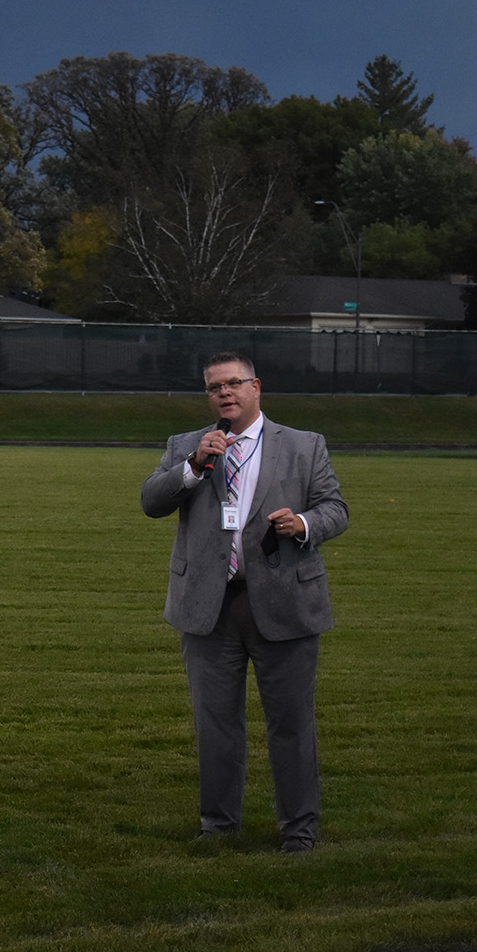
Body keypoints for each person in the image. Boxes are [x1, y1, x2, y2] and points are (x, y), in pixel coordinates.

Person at [140, 352, 347, 853]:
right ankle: (218, 826)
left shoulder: (303, 445)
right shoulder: (187, 446)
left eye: (234, 384)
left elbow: (335, 510)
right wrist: (192, 468)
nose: (224, 394)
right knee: (215, 726)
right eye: (215, 388)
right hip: (208, 609)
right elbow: (151, 502)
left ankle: (299, 832)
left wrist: (303, 525)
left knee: (292, 727)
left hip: (283, 604)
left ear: (257, 387)